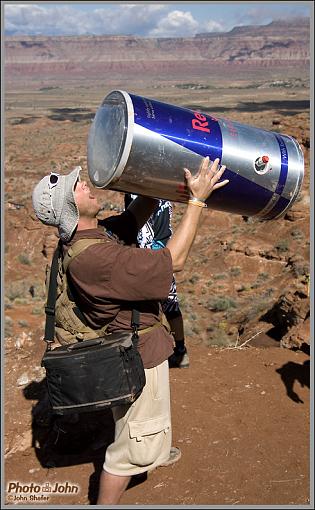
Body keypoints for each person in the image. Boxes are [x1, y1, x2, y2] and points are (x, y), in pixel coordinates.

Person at [32, 156, 228, 505]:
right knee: (127, 454)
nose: (85, 185)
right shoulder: (96, 259)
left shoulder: (93, 236)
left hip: (128, 351)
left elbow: (136, 215)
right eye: (76, 188)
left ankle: (149, 441)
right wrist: (197, 200)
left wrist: (158, 184)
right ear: (69, 209)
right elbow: (174, 261)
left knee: (136, 424)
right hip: (137, 356)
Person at [124, 194, 189, 368]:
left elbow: (142, 232)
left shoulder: (137, 193)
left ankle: (144, 350)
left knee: (143, 302)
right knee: (170, 302)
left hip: (148, 255)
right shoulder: (163, 190)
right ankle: (181, 350)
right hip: (164, 249)